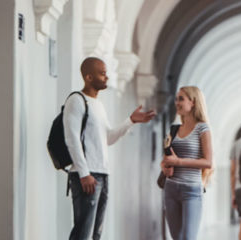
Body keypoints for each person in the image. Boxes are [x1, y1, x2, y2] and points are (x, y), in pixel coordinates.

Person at [64, 57, 156, 240]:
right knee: (83, 233)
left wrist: (131, 121)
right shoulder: (76, 100)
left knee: (96, 233)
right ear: (89, 77)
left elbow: (108, 137)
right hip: (87, 175)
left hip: (102, 174)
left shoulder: (98, 105)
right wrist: (84, 173)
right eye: (102, 73)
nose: (106, 77)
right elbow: (71, 139)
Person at [160, 86, 213, 240]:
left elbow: (208, 162)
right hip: (170, 188)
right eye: (176, 99)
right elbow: (166, 158)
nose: (177, 102)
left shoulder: (203, 128)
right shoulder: (174, 129)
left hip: (191, 190)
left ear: (193, 102)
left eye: (181, 99)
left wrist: (179, 161)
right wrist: (164, 166)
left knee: (188, 238)